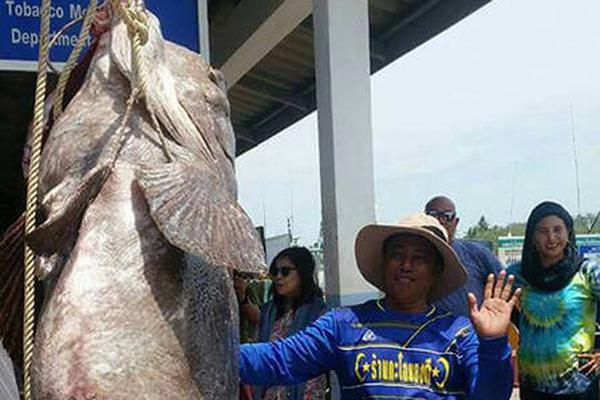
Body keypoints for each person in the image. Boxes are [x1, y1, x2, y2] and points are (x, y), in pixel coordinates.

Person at [240, 214, 520, 399]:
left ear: (435, 271)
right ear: (384, 262)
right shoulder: (344, 324)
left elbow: (491, 395)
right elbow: (279, 360)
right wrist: (205, 352)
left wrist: (494, 342)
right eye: (397, 254)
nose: (406, 264)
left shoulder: (459, 334)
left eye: (419, 258)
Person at [508, 201, 600, 400]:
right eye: (542, 231)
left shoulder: (588, 271)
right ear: (532, 237)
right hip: (532, 385)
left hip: (578, 386)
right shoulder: (517, 275)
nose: (551, 238)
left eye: (557, 230)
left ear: (568, 232)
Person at [236, 246, 327, 400]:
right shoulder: (269, 312)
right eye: (275, 272)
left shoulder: (318, 314)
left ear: (302, 273)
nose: (278, 277)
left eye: (285, 272)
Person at [425, 196, 504, 316]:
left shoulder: (478, 254)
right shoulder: (414, 259)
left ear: (456, 222)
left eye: (447, 216)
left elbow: (504, 287)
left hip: (474, 332)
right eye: (434, 215)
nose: (441, 221)